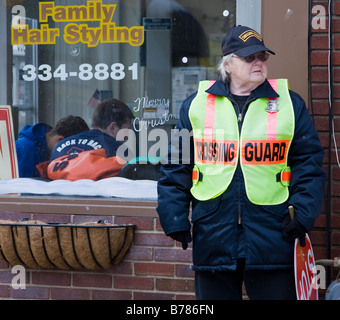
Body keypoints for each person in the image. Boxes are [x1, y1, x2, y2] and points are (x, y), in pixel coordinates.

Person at [156, 25, 326, 300]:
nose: (258, 62)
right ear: (228, 63)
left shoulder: (289, 104)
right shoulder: (196, 105)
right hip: (213, 233)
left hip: (273, 234)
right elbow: (176, 164)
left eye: (262, 56)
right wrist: (174, 217)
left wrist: (303, 214)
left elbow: (309, 164)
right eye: (249, 58)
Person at [47, 98, 134, 181]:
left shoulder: (59, 147)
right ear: (113, 127)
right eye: (126, 131)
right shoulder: (118, 150)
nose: (128, 137)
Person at [15, 115, 89, 178]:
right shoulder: (26, 150)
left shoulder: (43, 148)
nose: (66, 157)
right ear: (61, 141)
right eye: (69, 152)